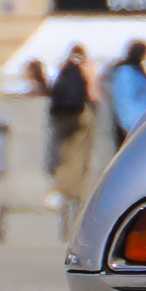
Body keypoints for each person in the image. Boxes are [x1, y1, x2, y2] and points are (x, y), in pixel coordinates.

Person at [47, 44, 97, 209]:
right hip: (81, 115)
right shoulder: (86, 68)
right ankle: (73, 193)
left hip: (62, 116)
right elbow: (92, 93)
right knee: (78, 155)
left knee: (63, 154)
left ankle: (59, 191)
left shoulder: (63, 68)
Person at [106, 40, 146, 146]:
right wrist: (126, 125)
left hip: (143, 120)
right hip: (131, 123)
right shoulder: (125, 71)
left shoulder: (138, 70)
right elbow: (123, 99)